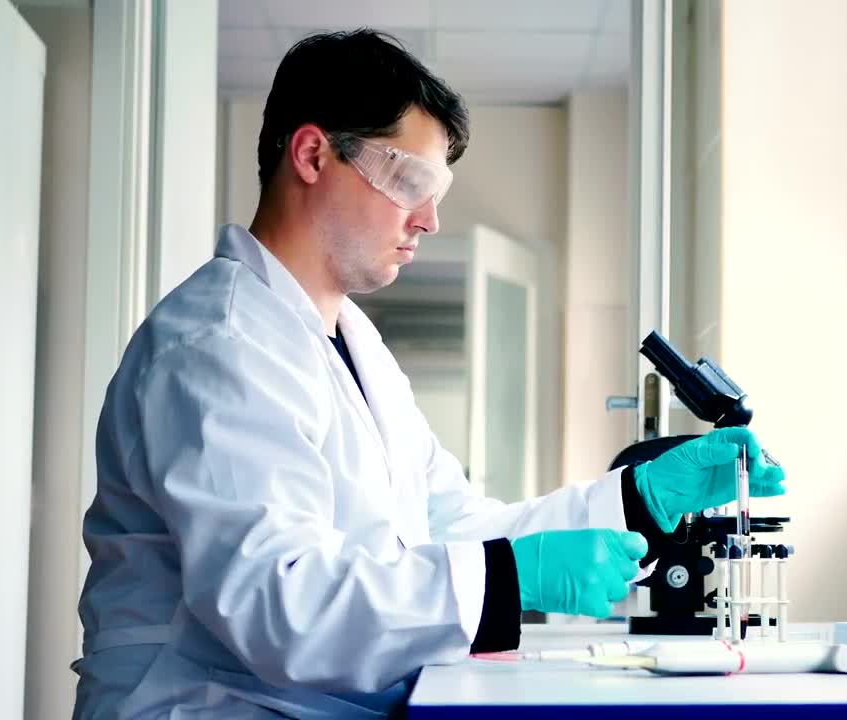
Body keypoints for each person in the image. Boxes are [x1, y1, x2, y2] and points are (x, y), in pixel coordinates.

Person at [71, 29, 786, 719]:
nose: (430, 219)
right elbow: (279, 604)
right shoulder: (218, 344)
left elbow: (457, 527)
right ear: (313, 154)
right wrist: (511, 578)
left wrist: (638, 502)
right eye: (410, 180)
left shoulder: (352, 344)